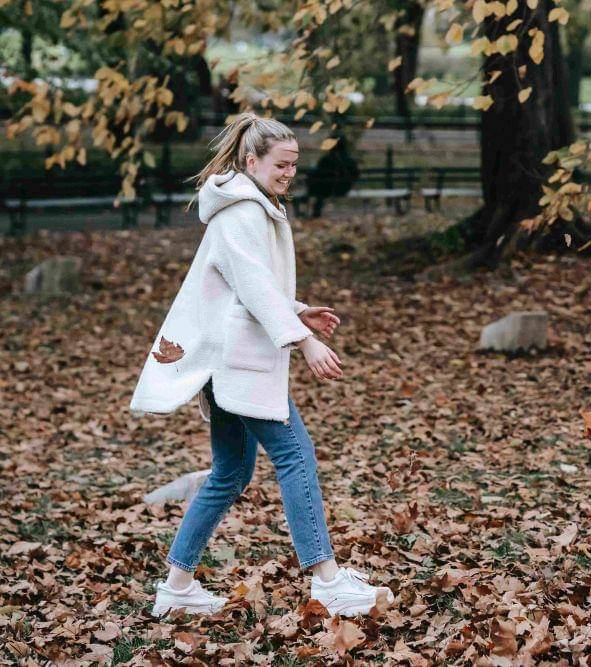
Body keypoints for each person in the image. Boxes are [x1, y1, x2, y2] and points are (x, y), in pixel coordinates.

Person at [130, 112, 394, 618]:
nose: (290, 173)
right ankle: (327, 581)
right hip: (237, 365)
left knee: (230, 474)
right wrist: (304, 341)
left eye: (294, 165)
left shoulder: (252, 206)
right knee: (296, 456)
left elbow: (249, 287)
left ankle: (177, 587)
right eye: (281, 164)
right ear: (251, 161)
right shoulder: (241, 213)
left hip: (235, 364)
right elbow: (252, 289)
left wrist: (298, 311)